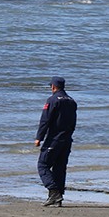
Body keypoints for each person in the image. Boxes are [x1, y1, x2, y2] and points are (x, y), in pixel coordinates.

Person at [35, 76, 77, 207]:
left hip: (54, 139)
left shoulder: (52, 100)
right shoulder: (71, 101)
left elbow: (45, 120)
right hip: (67, 139)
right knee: (60, 167)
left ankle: (54, 192)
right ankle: (58, 197)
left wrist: (39, 138)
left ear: (53, 87)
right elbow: (73, 122)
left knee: (43, 165)